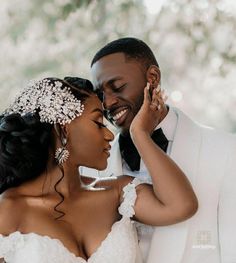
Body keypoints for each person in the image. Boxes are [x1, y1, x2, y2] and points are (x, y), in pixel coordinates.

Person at [0, 77, 197, 263]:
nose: (109, 136)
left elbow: (182, 206)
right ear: (63, 127)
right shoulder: (8, 210)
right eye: (98, 123)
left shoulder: (119, 192)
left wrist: (140, 134)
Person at [81, 37, 236, 263]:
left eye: (117, 87)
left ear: (152, 78)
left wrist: (140, 135)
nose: (108, 103)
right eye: (101, 95)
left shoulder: (226, 151)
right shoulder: (91, 167)